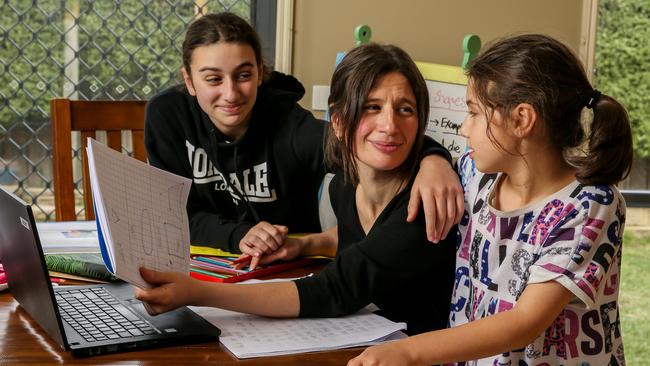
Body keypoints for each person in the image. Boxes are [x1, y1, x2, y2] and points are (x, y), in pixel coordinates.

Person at [135, 43, 457, 336]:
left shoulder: (423, 204)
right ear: (340, 121)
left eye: (405, 110)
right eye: (372, 107)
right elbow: (362, 234)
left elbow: (334, 289)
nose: (390, 125)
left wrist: (198, 292)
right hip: (365, 341)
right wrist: (304, 246)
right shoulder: (346, 182)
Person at [349, 34, 631, 366]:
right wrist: (433, 161)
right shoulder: (474, 175)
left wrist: (408, 351)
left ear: (521, 119)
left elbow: (524, 323)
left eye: (473, 112)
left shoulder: (590, 205)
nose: (463, 127)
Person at [144, 12, 463, 268]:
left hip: (285, 263)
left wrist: (433, 157)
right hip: (199, 257)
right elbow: (174, 212)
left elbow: (365, 143)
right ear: (189, 80)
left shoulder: (289, 124)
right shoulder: (167, 115)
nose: (231, 93)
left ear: (260, 72)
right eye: (213, 78)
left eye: (244, 75)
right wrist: (240, 234)